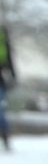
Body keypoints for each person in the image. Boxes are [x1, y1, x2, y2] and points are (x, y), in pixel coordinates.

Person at [0, 23, 15, 151]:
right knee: (1, 112)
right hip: (1, 80)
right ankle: (6, 140)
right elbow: (9, 59)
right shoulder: (2, 33)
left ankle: (6, 140)